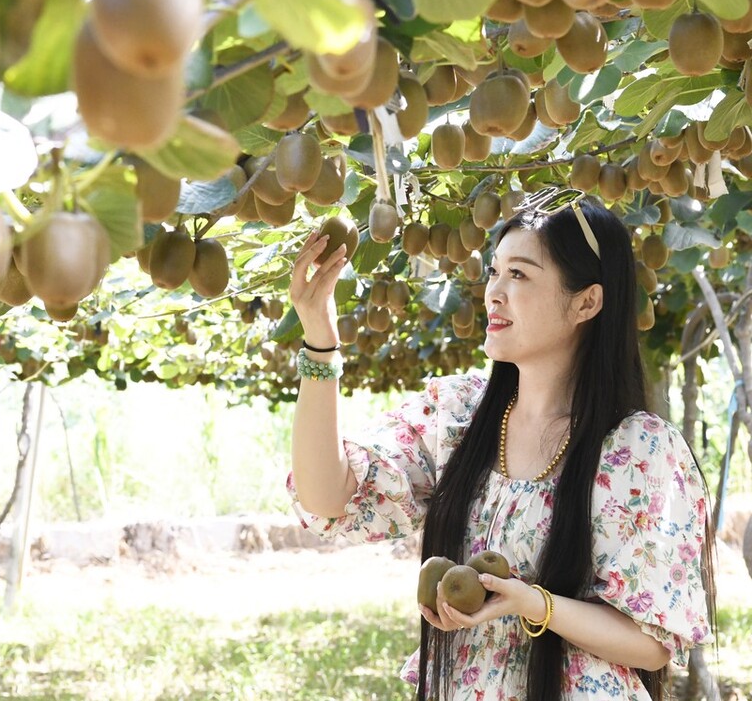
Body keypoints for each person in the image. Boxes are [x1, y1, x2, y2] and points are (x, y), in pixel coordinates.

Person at [286, 194, 716, 701]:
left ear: (586, 302)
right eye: (494, 272)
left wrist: (532, 603)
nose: (494, 292)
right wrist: (320, 339)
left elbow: (651, 645)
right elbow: (326, 496)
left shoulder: (639, 449)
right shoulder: (458, 415)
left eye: (519, 274)